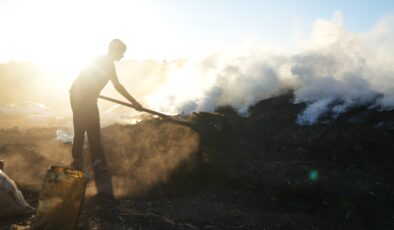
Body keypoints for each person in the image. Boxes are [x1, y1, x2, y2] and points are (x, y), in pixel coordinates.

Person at [69, 39, 143, 198]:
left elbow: (98, 82)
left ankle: (92, 161)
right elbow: (117, 86)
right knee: (84, 129)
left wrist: (90, 92)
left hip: (83, 96)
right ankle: (81, 162)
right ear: (115, 51)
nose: (122, 55)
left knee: (90, 130)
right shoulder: (106, 63)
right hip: (80, 96)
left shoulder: (102, 61)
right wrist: (134, 102)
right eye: (122, 52)